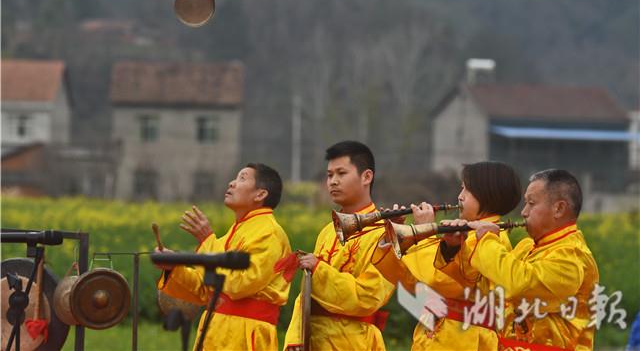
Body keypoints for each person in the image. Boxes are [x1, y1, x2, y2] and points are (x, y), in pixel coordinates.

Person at [438, 169, 599, 351]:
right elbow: (488, 289)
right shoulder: (526, 246)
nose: (523, 212)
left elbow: (518, 284)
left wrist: (486, 241)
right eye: (525, 203)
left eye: (531, 203)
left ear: (559, 209)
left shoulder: (572, 257)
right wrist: (453, 248)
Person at [373, 161, 521, 350]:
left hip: (463, 338)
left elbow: (440, 281)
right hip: (440, 334)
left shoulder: (488, 238)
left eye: (466, 190)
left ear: (487, 194)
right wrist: (394, 240)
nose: (459, 196)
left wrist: (423, 233)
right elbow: (414, 283)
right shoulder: (468, 232)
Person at [154, 163, 292, 351]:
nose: (231, 183)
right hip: (216, 330)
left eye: (242, 178)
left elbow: (239, 285)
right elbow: (207, 289)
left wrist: (207, 241)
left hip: (244, 334)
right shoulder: (234, 232)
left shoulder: (270, 233)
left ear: (260, 194)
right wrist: (174, 268)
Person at [283, 141, 395, 351]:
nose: (333, 181)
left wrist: (319, 269)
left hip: (353, 342)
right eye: (329, 175)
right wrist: (295, 339)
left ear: (366, 177)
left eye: (341, 173)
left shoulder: (384, 232)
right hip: (313, 341)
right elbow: (306, 296)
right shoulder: (327, 231)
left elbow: (368, 297)